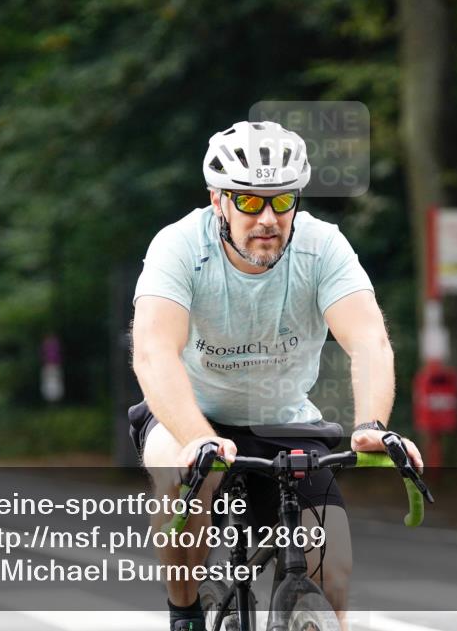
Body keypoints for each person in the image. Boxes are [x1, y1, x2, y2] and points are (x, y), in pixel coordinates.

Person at [129, 120, 423, 630]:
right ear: (218, 200)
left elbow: (369, 342)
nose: (267, 218)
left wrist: (373, 425)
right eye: (248, 202)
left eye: (281, 201)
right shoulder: (178, 247)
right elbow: (154, 352)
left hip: (285, 422)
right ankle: (185, 614)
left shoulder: (322, 247)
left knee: (333, 575)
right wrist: (198, 438)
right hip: (188, 420)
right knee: (189, 480)